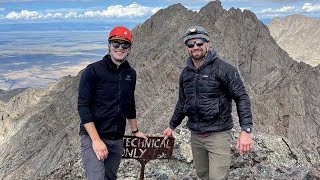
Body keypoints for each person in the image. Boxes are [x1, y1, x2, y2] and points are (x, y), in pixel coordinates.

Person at [163, 26, 253, 180]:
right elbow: (183, 102)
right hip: (196, 136)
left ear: (207, 44)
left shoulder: (224, 69)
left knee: (218, 177)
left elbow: (241, 97)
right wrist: (171, 126)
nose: (195, 47)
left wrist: (246, 130)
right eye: (190, 44)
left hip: (218, 135)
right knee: (203, 175)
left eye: (199, 42)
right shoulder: (186, 74)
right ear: (187, 48)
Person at [77, 26, 147, 180]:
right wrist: (96, 140)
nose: (120, 48)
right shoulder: (93, 70)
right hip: (94, 136)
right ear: (109, 45)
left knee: (110, 177)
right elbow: (83, 106)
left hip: (116, 139)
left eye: (125, 45)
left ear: (129, 49)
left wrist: (135, 131)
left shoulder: (131, 73)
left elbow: (130, 103)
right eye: (116, 44)